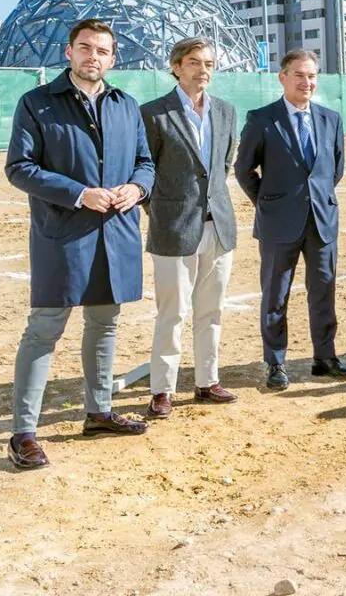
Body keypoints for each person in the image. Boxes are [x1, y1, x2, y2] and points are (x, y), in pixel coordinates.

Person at [3, 18, 155, 469]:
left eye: (102, 50)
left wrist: (137, 188)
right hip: (63, 234)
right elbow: (19, 168)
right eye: (85, 47)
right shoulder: (37, 103)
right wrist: (79, 193)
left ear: (113, 58)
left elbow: (145, 162)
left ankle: (99, 412)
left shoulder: (126, 105)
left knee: (105, 324)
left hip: (116, 233)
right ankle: (23, 432)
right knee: (44, 330)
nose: (93, 56)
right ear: (69, 52)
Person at [234, 48, 346, 390]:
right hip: (278, 222)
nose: (307, 82)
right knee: (275, 295)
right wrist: (268, 202)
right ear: (283, 77)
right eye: (299, 75)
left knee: (324, 291)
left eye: (312, 75)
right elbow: (244, 169)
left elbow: (335, 169)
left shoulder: (331, 119)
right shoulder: (262, 119)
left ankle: (324, 357)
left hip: (321, 220)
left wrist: (316, 198)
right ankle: (275, 363)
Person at [141, 37, 240, 418]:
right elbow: (144, 169)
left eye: (209, 64)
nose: (203, 70)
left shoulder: (226, 111)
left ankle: (207, 382)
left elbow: (222, 166)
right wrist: (162, 211)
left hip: (218, 226)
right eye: (195, 62)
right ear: (177, 67)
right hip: (173, 228)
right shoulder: (154, 114)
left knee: (211, 310)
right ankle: (162, 389)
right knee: (172, 313)